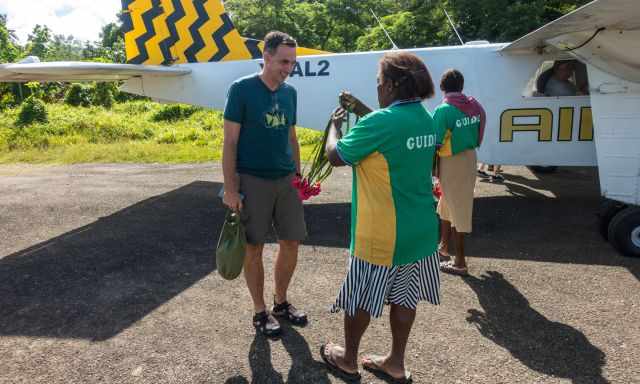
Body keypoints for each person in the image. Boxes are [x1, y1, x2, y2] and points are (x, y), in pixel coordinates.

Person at [322, 52, 441, 382]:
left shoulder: (381, 122)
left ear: (390, 85)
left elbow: (336, 156)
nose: (377, 88)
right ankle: (396, 363)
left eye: (378, 83)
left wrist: (334, 126)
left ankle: (347, 358)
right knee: (405, 297)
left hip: (381, 233)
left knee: (361, 296)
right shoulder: (426, 117)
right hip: (420, 230)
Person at [222, 31, 307, 337]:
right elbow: (230, 141)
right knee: (254, 246)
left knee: (292, 241)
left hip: (286, 179)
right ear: (266, 56)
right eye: (284, 61)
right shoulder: (242, 89)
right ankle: (260, 312)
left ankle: (281, 303)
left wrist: (298, 175)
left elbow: (291, 137)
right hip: (252, 179)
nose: (289, 68)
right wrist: (231, 188)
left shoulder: (290, 93)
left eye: (292, 63)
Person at [434, 69, 485, 276]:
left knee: (459, 209)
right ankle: (443, 249)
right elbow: (480, 128)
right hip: (469, 157)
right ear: (461, 86)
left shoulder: (444, 110)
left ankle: (460, 262)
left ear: (442, 87)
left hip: (451, 161)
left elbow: (434, 143)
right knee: (447, 203)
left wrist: (429, 169)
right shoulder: (474, 105)